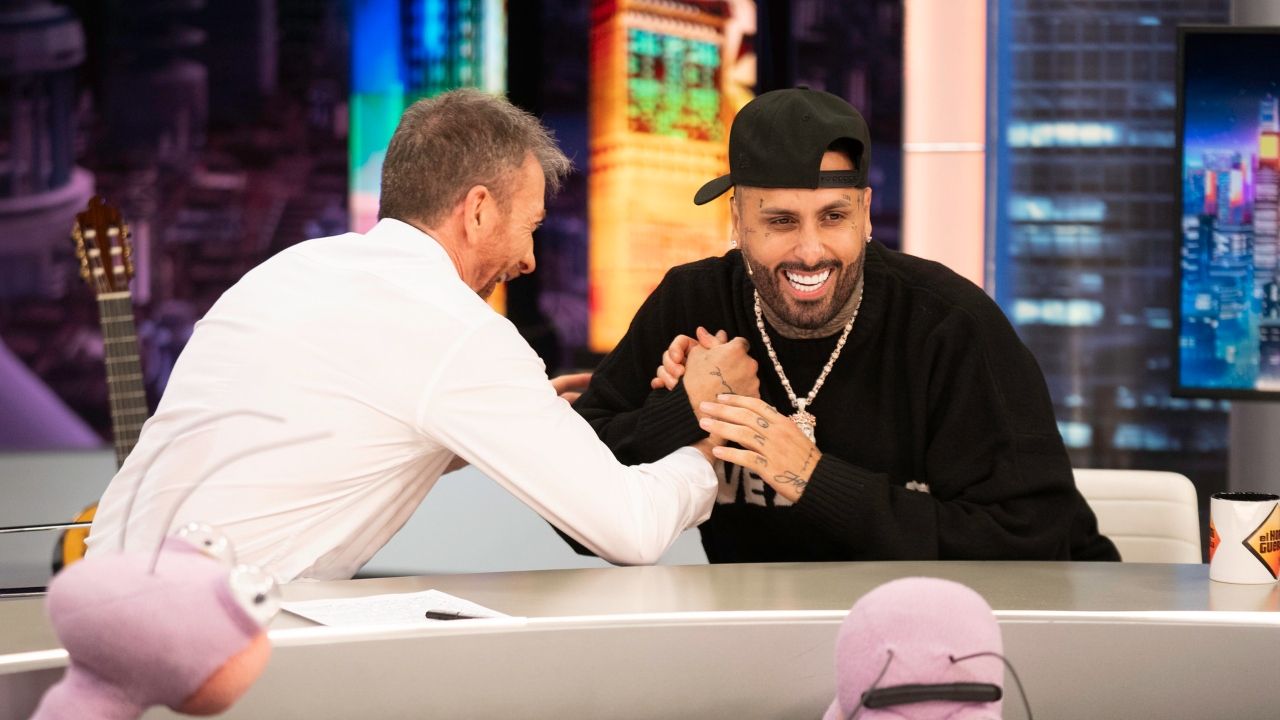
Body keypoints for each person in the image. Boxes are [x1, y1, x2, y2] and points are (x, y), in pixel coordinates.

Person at [87, 89, 752, 582]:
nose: (529, 260)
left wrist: (514, 417)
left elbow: (339, 435)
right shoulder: (461, 335)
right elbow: (631, 531)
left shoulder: (288, 271)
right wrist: (706, 441)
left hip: (88, 610)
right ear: (479, 210)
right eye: (530, 227)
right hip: (207, 649)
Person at [572, 87, 1119, 562]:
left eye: (834, 217)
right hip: (771, 627)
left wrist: (813, 479)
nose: (811, 251)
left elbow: (1030, 541)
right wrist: (689, 409)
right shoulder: (694, 302)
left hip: (988, 625)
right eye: (780, 221)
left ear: (866, 212)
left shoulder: (949, 324)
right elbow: (575, 510)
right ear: (737, 220)